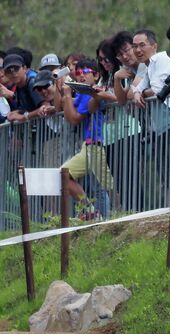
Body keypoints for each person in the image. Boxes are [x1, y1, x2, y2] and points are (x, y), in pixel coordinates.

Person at [60, 59, 114, 220]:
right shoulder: (85, 93)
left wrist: (68, 95)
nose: (81, 76)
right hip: (90, 143)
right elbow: (64, 106)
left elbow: (74, 117)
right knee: (68, 176)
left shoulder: (91, 92)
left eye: (85, 72)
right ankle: (93, 213)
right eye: (77, 73)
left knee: (98, 186)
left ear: (96, 74)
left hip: (96, 142)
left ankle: (99, 216)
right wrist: (61, 89)